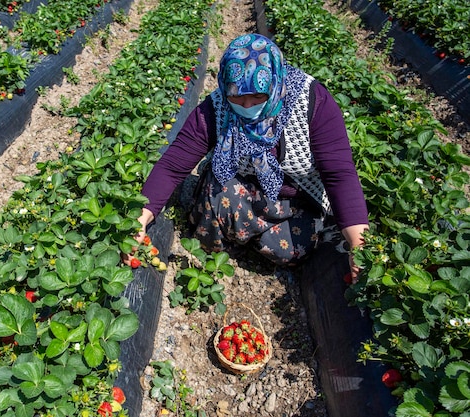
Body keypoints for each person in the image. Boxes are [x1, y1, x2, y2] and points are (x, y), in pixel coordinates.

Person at [126, 33, 369, 282]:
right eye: (237, 96)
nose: (247, 104)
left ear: (274, 83)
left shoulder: (312, 102)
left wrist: (358, 245)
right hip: (243, 188)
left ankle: (249, 235)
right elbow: (173, 164)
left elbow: (339, 174)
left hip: (296, 200)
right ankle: (239, 240)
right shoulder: (217, 106)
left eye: (258, 96)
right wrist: (140, 217)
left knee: (290, 250)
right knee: (212, 212)